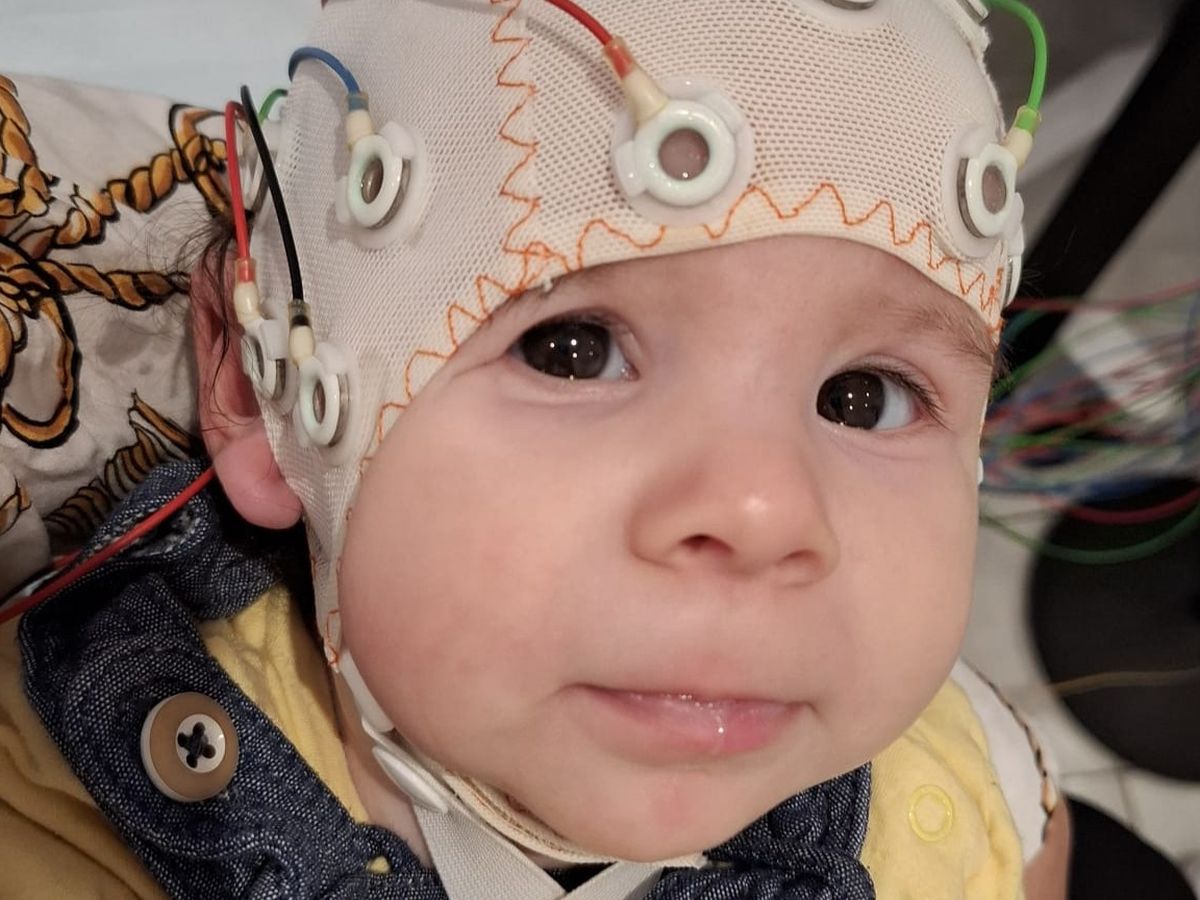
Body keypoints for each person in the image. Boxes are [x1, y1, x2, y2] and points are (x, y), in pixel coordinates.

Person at [0, 0, 1070, 897]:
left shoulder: (970, 781)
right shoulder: (52, 813)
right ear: (258, 387)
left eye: (864, 398)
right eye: (573, 351)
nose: (764, 510)